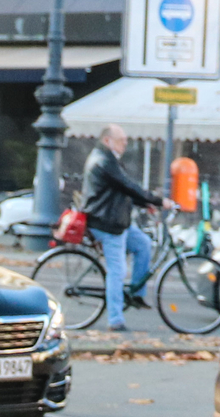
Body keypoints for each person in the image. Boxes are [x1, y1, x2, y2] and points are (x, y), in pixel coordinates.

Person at [84, 124, 161, 330]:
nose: (125, 144)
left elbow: (120, 191)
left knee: (144, 244)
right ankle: (115, 320)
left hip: (117, 220)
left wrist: (146, 203)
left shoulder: (107, 159)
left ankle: (136, 295)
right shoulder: (104, 161)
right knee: (118, 271)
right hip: (108, 223)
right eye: (121, 140)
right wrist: (158, 200)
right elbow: (128, 186)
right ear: (107, 141)